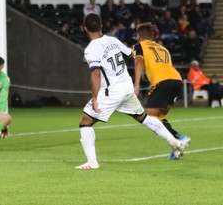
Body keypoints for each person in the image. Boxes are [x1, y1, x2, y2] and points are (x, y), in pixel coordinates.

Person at [76, 14, 186, 170]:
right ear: (101, 26)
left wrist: (94, 98)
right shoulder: (113, 41)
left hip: (111, 92)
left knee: (85, 122)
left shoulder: (91, 49)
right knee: (144, 117)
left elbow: (96, 73)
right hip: (126, 88)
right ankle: (174, 141)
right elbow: (132, 54)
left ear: (85, 28)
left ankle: (92, 162)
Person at [133, 22, 191, 160]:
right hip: (176, 80)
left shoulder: (138, 46)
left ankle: (179, 137)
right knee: (159, 117)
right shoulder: (163, 49)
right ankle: (176, 147)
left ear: (138, 36)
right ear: (152, 36)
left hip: (162, 82)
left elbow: (138, 61)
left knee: (150, 118)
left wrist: (136, 84)